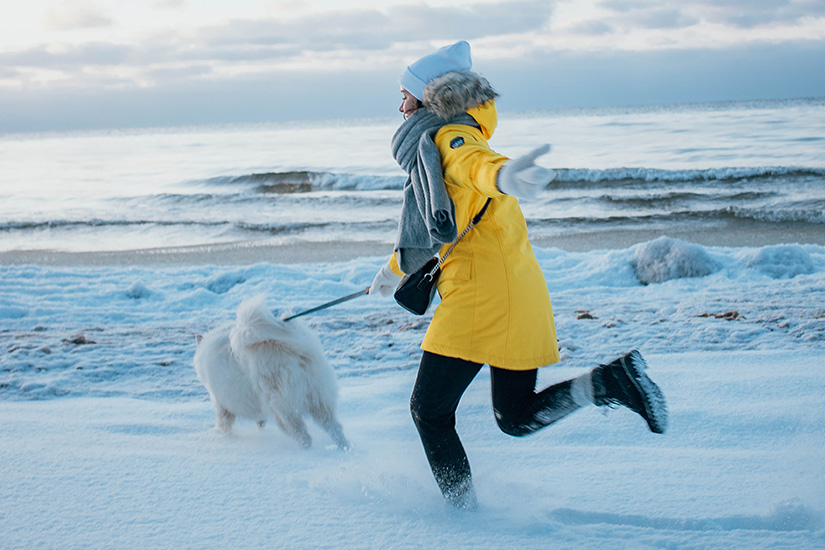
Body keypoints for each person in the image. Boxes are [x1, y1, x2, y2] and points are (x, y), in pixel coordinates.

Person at [369, 41, 668, 510]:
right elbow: (439, 226)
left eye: (404, 94)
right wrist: (392, 271)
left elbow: (477, 168)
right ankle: (609, 383)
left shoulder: (449, 138)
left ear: (428, 98)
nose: (399, 104)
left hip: (482, 297)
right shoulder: (446, 140)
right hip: (515, 291)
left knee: (428, 411)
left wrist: (505, 177)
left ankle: (462, 515)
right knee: (514, 415)